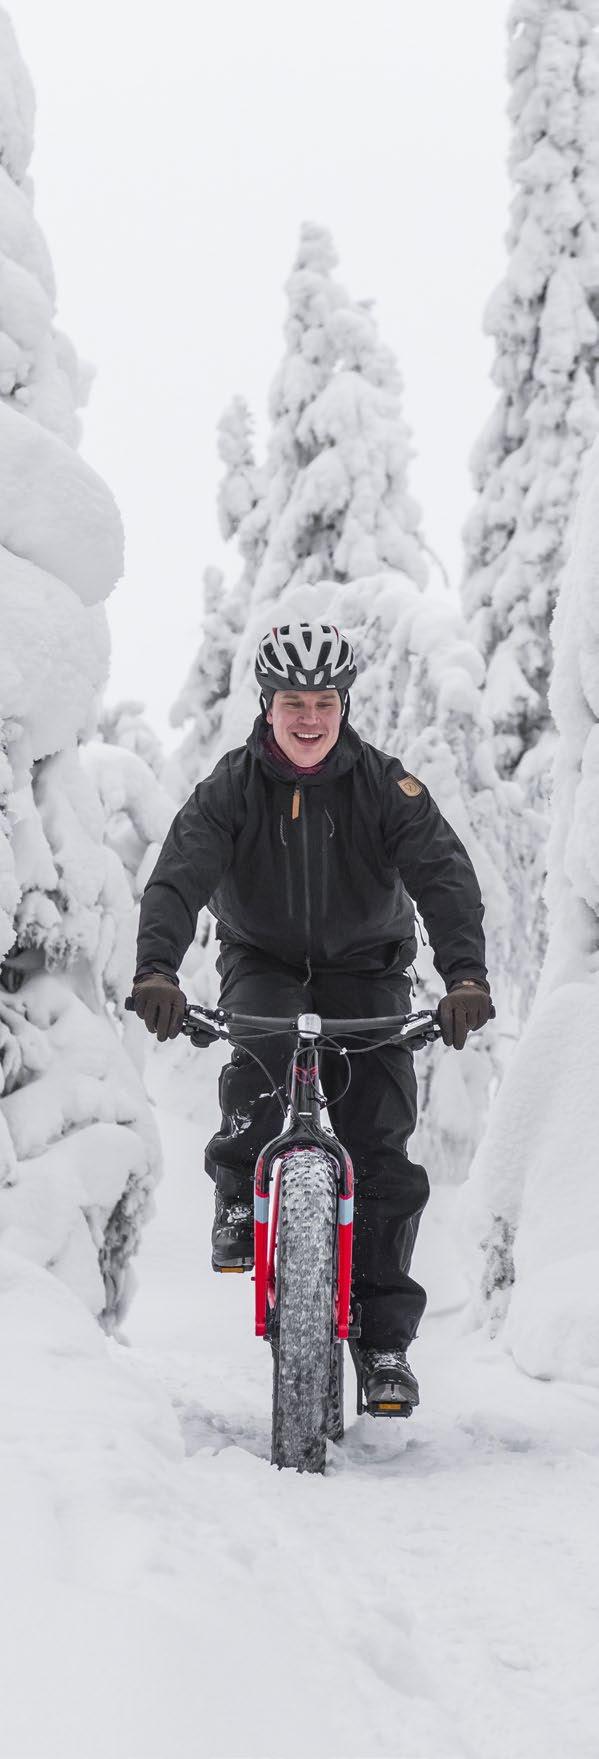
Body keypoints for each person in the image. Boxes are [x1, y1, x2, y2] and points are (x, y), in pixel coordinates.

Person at [132, 616, 492, 1414]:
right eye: (292, 700)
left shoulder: (384, 786)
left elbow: (442, 875)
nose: (307, 717)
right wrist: (157, 966)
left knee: (380, 1144)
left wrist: (463, 974)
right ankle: (238, 1185)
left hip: (366, 968)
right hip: (261, 958)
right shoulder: (230, 787)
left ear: (342, 705)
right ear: (267, 705)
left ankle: (384, 1341)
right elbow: (178, 874)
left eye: (322, 701)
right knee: (257, 1043)